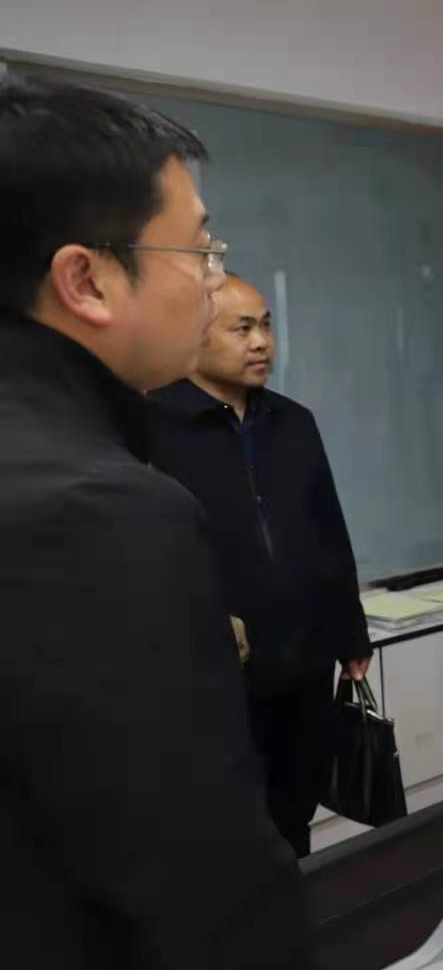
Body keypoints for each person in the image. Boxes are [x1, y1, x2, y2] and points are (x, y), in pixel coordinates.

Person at [0, 79, 309, 967]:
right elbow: (198, 888)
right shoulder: (99, 511)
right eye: (199, 248)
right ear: (86, 279)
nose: (212, 281)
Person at [149, 273, 374, 857]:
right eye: (242, 329)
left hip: (306, 656)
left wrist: (350, 631)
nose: (261, 343)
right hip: (217, 667)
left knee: (295, 808)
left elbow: (328, 529)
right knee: (229, 825)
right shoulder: (151, 426)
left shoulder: (293, 421)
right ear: (194, 335)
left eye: (266, 326)